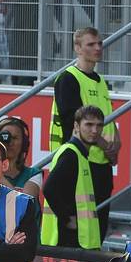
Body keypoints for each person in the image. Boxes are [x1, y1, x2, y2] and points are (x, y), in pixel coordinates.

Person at [42, 105, 111, 249]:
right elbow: (48, 188)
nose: (94, 130)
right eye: (89, 124)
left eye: (99, 125)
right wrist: (68, 219)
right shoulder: (71, 154)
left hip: (76, 239)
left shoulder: (79, 154)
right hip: (68, 239)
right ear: (76, 126)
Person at [50, 28, 120, 166]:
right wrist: (106, 146)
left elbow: (109, 115)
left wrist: (116, 142)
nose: (98, 48)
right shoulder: (68, 78)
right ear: (77, 48)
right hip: (79, 157)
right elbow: (72, 120)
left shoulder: (100, 81)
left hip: (101, 158)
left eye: (100, 43)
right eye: (91, 44)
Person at [0, 116, 43, 202]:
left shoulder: (33, 174)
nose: (10, 142)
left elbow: (24, 203)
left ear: (24, 143)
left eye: (14, 138)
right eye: (5, 137)